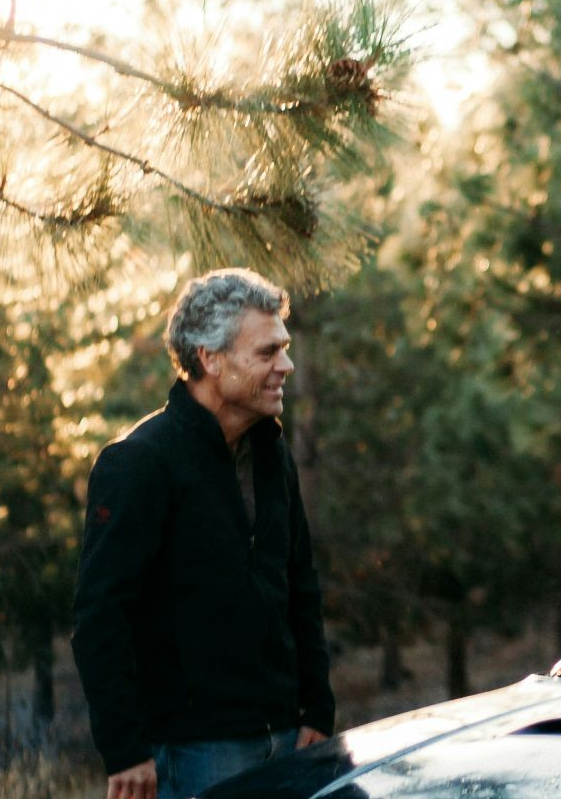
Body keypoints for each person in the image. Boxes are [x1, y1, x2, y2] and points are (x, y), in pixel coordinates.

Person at [72, 269, 335, 799]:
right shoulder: (139, 464)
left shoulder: (271, 453)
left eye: (283, 349)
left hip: (291, 739)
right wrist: (125, 750)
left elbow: (300, 587)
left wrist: (318, 708)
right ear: (209, 358)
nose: (286, 365)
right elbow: (100, 618)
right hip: (194, 754)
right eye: (266, 353)